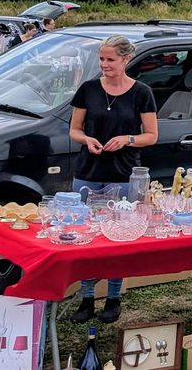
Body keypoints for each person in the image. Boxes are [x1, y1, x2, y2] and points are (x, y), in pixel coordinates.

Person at [68, 35, 158, 324]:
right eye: (101, 59)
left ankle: (114, 296)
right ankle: (86, 297)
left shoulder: (142, 92)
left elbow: (151, 136)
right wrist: (87, 139)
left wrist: (127, 139)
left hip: (122, 174)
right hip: (88, 172)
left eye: (110, 59)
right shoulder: (88, 89)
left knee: (118, 237)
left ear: (125, 59)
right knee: (86, 236)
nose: (104, 64)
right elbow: (74, 129)